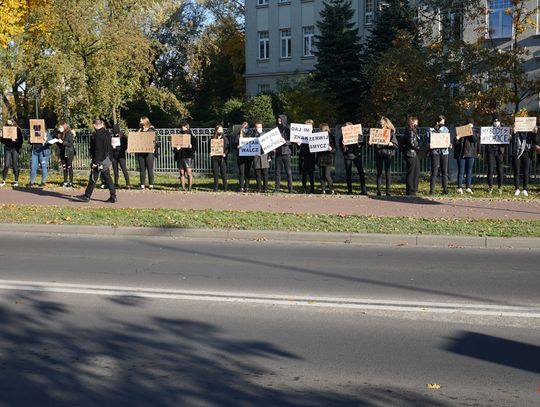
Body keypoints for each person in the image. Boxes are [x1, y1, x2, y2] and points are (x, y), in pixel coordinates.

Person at [75, 118, 116, 203]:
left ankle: (87, 196)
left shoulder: (97, 135)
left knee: (93, 177)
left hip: (100, 160)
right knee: (107, 177)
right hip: (107, 158)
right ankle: (113, 196)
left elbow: (98, 149)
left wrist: (95, 162)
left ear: (95, 125)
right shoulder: (107, 133)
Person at [339, 122, 367, 195]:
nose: (346, 129)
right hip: (347, 156)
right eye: (345, 128)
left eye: (348, 127)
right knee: (348, 174)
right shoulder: (342, 137)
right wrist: (343, 144)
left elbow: (363, 143)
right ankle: (349, 190)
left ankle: (363, 190)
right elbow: (342, 149)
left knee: (361, 172)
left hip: (357, 155)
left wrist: (359, 141)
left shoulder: (358, 134)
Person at [510, 125, 537, 197]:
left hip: (527, 153)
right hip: (517, 153)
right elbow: (512, 141)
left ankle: (525, 189)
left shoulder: (530, 132)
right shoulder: (517, 132)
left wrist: (535, 133)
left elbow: (535, 141)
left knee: (526, 172)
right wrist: (514, 133)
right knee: (517, 171)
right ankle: (517, 189)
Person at [374, 116, 399, 196]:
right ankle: (379, 191)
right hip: (379, 154)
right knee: (379, 173)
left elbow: (396, 145)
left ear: (386, 124)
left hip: (388, 154)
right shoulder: (376, 132)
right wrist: (370, 144)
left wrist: (391, 144)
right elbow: (373, 144)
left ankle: (387, 191)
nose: (381, 125)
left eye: (382, 124)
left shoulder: (390, 132)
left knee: (388, 173)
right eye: (380, 124)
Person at [454, 118, 479, 194]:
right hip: (461, 153)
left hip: (470, 153)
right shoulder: (461, 130)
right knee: (461, 171)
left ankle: (468, 187)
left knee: (469, 171)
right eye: (468, 124)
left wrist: (471, 130)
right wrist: (457, 138)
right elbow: (455, 143)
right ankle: (459, 187)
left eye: (471, 124)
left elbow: (474, 139)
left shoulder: (475, 131)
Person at [28, 121, 54, 187]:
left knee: (44, 167)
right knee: (33, 167)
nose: (37, 127)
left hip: (43, 152)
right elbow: (30, 141)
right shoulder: (34, 132)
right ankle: (31, 182)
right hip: (35, 152)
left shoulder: (46, 133)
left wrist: (45, 141)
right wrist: (30, 141)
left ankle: (43, 182)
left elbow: (50, 142)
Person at [428, 115, 450, 195]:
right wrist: (429, 144)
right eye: (442, 122)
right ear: (437, 122)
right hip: (435, 152)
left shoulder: (446, 129)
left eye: (444, 122)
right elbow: (428, 140)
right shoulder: (431, 130)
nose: (443, 123)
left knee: (444, 171)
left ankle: (445, 189)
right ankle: (432, 190)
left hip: (444, 152)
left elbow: (447, 139)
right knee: (434, 171)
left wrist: (449, 144)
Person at [173, 122, 197, 191]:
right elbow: (174, 149)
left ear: (188, 127)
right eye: (182, 127)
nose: (183, 128)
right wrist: (176, 149)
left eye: (185, 127)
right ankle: (183, 187)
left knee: (189, 172)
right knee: (181, 172)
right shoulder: (178, 137)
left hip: (188, 157)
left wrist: (190, 147)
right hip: (180, 156)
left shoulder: (192, 137)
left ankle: (189, 187)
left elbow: (194, 149)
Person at [486, 114, 506, 194]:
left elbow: (506, 141)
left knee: (500, 170)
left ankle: (499, 187)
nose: (496, 122)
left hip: (499, 151)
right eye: (495, 121)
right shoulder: (488, 128)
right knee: (490, 170)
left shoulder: (503, 128)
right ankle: (490, 187)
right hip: (491, 151)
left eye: (497, 121)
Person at [0, 119, 24, 187]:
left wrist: (15, 141)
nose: (9, 125)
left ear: (13, 124)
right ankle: (3, 181)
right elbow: (3, 141)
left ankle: (16, 181)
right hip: (7, 149)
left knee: (14, 165)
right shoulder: (5, 130)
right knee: (6, 165)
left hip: (15, 149)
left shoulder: (18, 130)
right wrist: (1, 137)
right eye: (8, 124)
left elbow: (21, 141)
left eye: (10, 124)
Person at [53, 121, 76, 188]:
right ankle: (65, 181)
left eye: (60, 127)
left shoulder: (69, 133)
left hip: (69, 152)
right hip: (62, 152)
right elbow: (54, 134)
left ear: (64, 127)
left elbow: (70, 144)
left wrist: (63, 142)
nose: (59, 129)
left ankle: (71, 181)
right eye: (59, 127)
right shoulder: (60, 133)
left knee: (69, 167)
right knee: (64, 167)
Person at [274, 114, 293, 193]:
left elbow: (292, 141)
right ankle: (277, 188)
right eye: (278, 119)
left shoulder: (288, 129)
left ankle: (290, 188)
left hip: (286, 152)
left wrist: (286, 142)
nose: (279, 121)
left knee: (288, 171)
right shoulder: (276, 129)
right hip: (278, 153)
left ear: (283, 120)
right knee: (277, 171)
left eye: (280, 119)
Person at [136, 116, 156, 190]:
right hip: (141, 151)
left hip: (149, 152)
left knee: (150, 169)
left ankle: (151, 185)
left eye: (141, 121)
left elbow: (154, 140)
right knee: (142, 169)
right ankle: (142, 185)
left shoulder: (151, 130)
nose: (140, 122)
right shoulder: (140, 130)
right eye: (140, 121)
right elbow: (136, 138)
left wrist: (154, 148)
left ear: (145, 121)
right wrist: (140, 129)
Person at [297, 119, 316, 194]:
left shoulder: (315, 134)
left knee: (311, 174)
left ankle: (312, 189)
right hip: (303, 156)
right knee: (304, 174)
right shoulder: (301, 135)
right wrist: (298, 144)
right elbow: (298, 148)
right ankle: (304, 189)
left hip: (311, 156)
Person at [403, 116, 421, 196]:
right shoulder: (410, 131)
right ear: (412, 122)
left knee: (416, 171)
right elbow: (411, 143)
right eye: (416, 122)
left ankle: (413, 189)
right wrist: (417, 148)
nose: (417, 124)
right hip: (411, 153)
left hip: (414, 153)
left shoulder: (414, 131)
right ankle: (410, 190)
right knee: (411, 172)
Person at [317, 123, 336, 195]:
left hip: (328, 158)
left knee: (327, 175)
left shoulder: (331, 137)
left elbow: (334, 148)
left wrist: (331, 148)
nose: (321, 131)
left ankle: (332, 190)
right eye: (321, 129)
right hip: (320, 158)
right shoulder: (317, 136)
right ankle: (323, 190)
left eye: (322, 129)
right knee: (321, 175)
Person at [234, 122, 253, 192]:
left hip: (248, 156)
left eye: (247, 127)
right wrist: (237, 147)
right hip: (240, 157)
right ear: (241, 128)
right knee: (241, 172)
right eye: (244, 127)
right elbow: (234, 145)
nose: (245, 129)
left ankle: (247, 186)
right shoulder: (238, 135)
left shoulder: (250, 135)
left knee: (247, 172)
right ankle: (241, 186)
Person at [252, 121, 270, 193]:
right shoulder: (252, 135)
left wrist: (269, 156)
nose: (259, 128)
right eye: (258, 127)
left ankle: (265, 188)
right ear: (255, 127)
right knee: (257, 174)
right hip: (256, 157)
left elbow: (269, 146)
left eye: (260, 127)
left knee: (265, 174)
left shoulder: (265, 135)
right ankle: (259, 188)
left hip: (264, 157)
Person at [111, 124, 130, 189]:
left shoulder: (123, 137)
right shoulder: (113, 137)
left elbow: (124, 147)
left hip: (121, 155)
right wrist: (112, 147)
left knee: (124, 169)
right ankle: (116, 183)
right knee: (115, 171)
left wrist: (117, 147)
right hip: (114, 156)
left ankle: (128, 183)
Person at [211, 124, 229, 192]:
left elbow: (227, 148)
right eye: (219, 130)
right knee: (215, 173)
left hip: (222, 158)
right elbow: (209, 148)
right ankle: (215, 187)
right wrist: (210, 152)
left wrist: (225, 153)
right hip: (214, 157)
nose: (220, 131)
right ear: (216, 131)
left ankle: (225, 188)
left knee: (223, 173)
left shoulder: (225, 139)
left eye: (221, 130)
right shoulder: (212, 139)